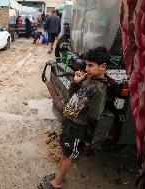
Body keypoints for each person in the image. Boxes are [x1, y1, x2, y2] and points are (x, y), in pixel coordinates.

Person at [40, 47, 110, 189]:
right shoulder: (88, 79)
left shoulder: (100, 89)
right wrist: (76, 82)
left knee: (69, 155)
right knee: (65, 150)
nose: (87, 68)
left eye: (91, 65)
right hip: (69, 121)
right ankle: (60, 175)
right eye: (86, 65)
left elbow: (95, 114)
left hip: (78, 127)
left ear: (103, 67)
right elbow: (72, 96)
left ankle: (57, 183)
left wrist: (84, 125)